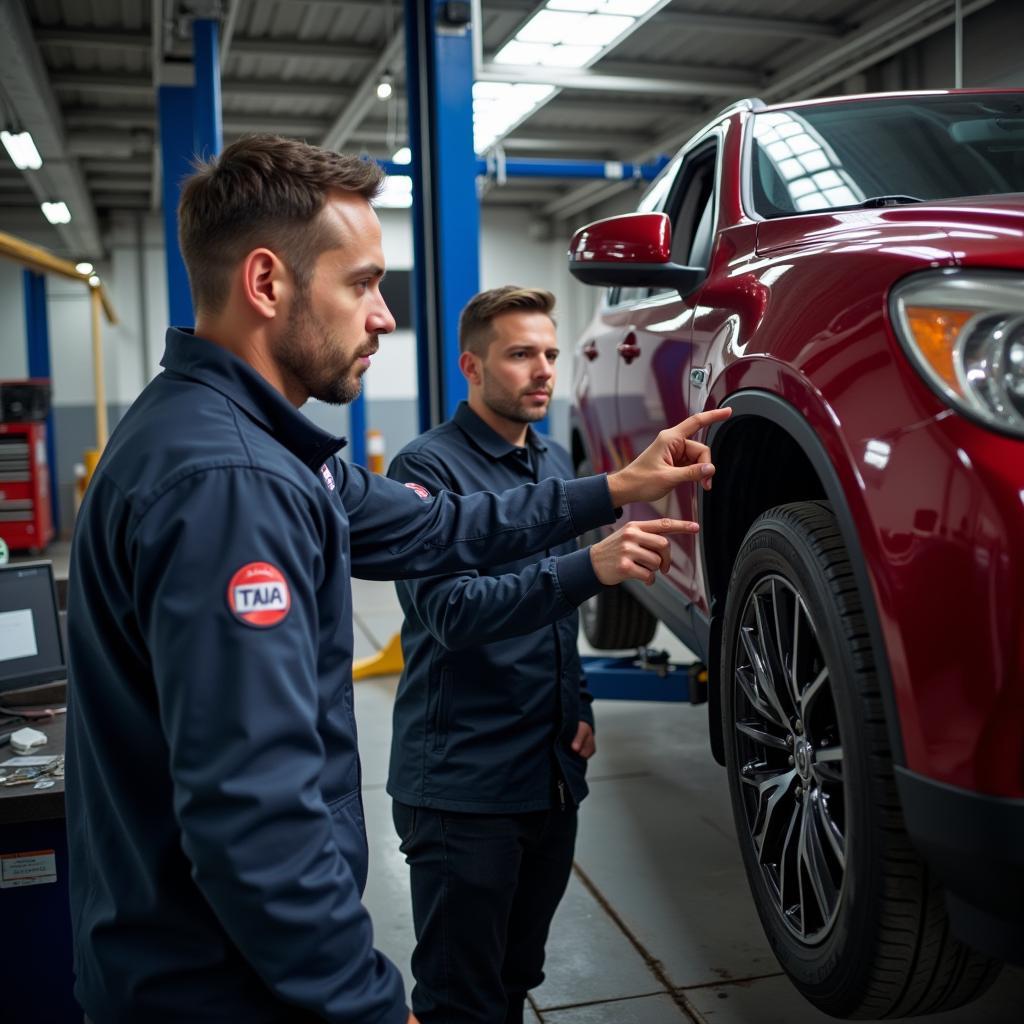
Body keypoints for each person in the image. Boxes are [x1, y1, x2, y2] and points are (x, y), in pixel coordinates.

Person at [64, 134, 730, 1024]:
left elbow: (439, 525)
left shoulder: (264, 448)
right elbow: (253, 813)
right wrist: (365, 1005)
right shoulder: (232, 483)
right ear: (267, 283)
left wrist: (614, 488)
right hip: (215, 985)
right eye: (363, 283)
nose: (384, 316)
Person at [388, 286, 681, 1024]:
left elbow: (550, 622)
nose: (543, 370)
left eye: (549, 353)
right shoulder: (427, 470)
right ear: (472, 366)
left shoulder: (552, 461)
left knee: (517, 973)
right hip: (463, 789)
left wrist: (575, 705)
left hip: (548, 776)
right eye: (520, 354)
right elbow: (453, 613)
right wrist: (594, 567)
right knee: (462, 996)